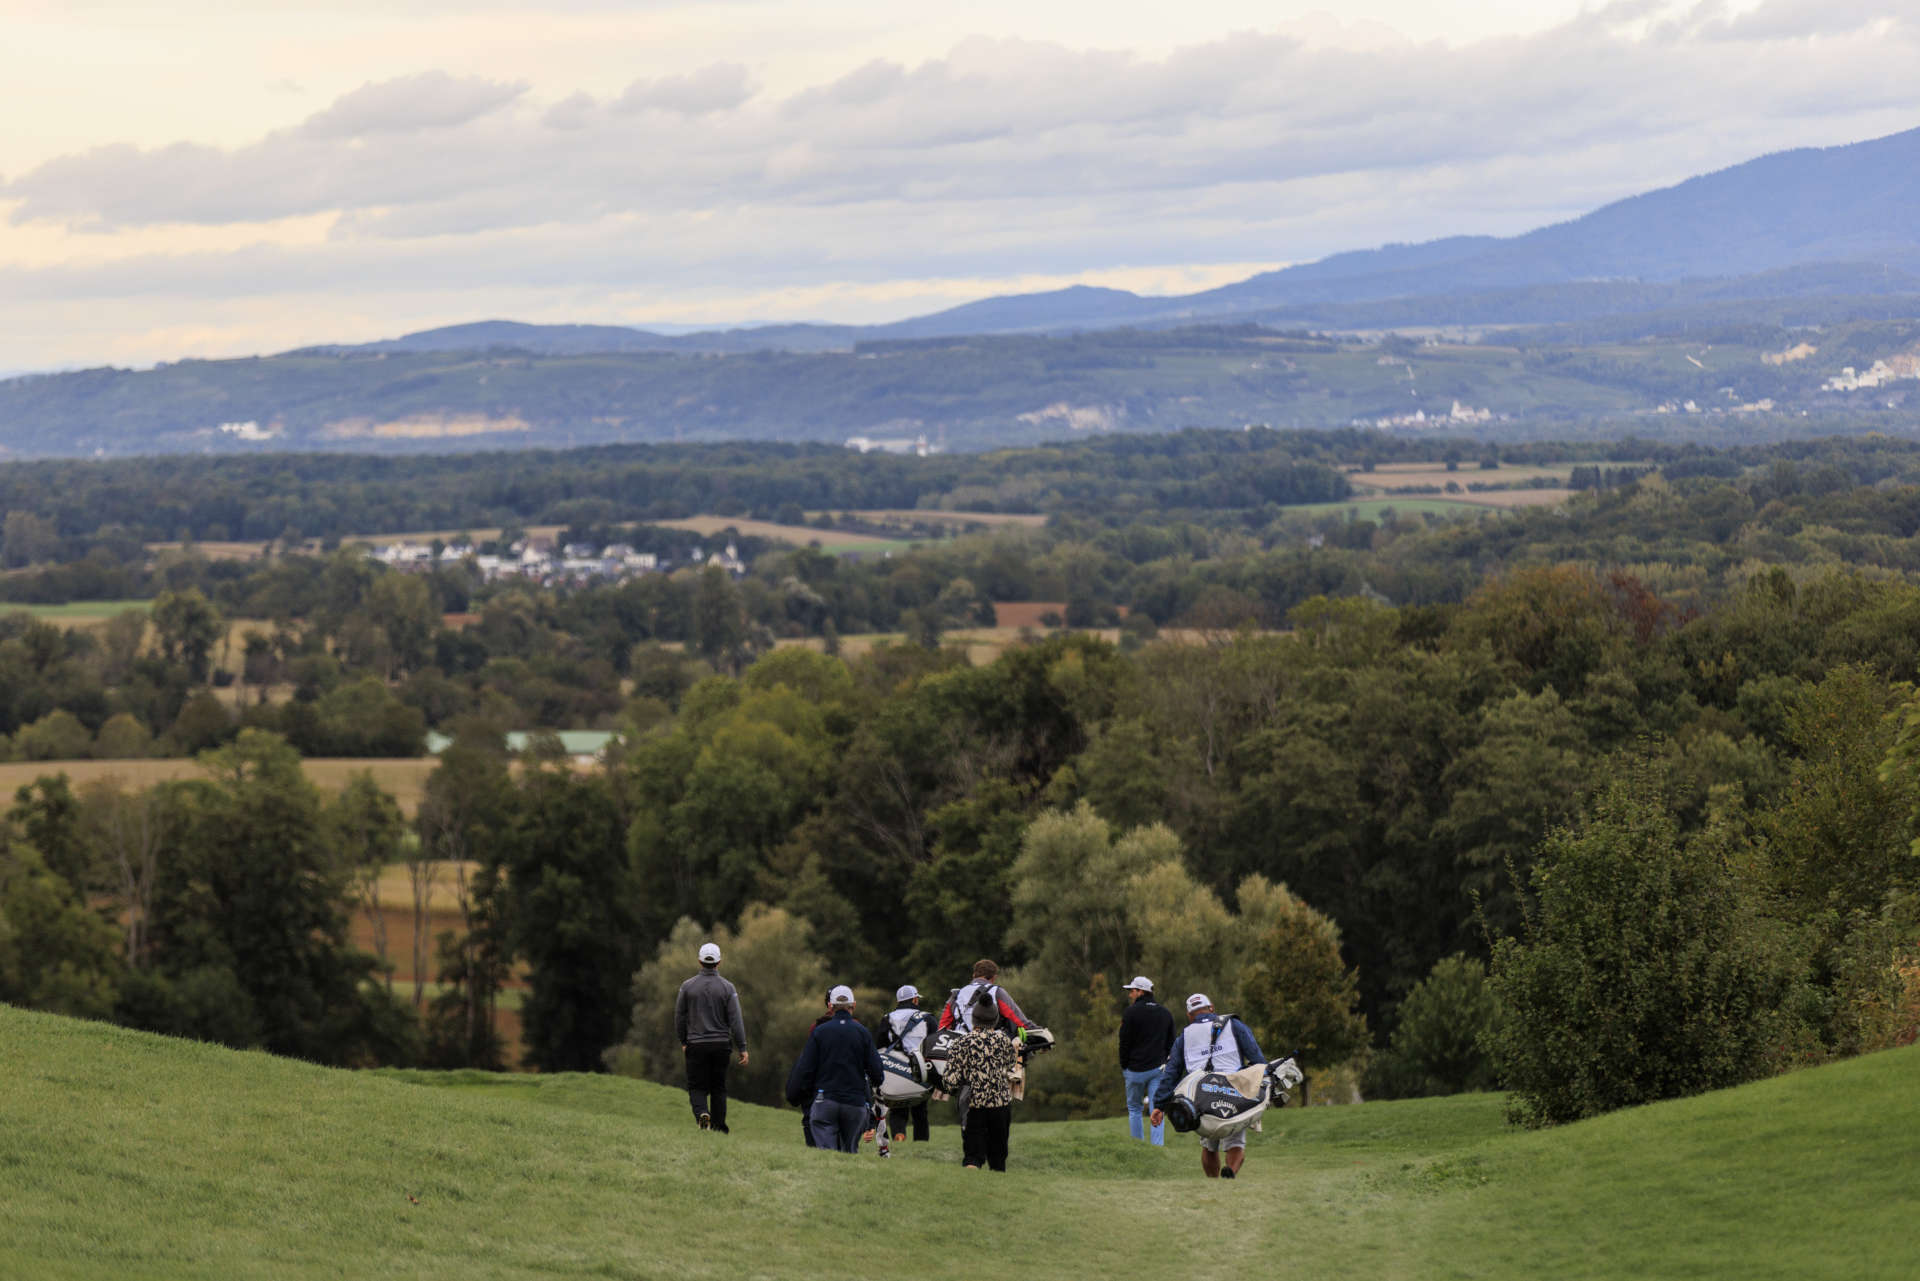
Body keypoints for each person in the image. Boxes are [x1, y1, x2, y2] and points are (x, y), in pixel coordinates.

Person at [1150, 993, 1266, 1179]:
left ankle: (1212, 1183)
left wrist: (1159, 1105)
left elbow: (1171, 1073)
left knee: (1209, 1145)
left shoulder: (1184, 1037)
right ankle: (1231, 1172)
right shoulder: (1234, 1025)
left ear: (1189, 1015)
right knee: (1236, 1142)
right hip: (1234, 1090)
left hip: (1202, 1095)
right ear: (1211, 1008)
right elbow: (1257, 1060)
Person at [785, 985, 884, 1154]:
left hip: (826, 1100)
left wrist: (794, 1095)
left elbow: (805, 1070)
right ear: (853, 1005)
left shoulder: (819, 1032)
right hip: (855, 1104)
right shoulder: (863, 1032)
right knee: (849, 1151)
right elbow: (877, 1075)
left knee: (826, 1154)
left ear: (831, 1006)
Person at [674, 941, 748, 1133]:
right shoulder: (728, 988)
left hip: (696, 1044)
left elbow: (679, 1017)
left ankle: (701, 1114)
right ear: (719, 962)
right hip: (721, 1045)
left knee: (697, 1086)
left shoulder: (687, 987)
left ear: (699, 961)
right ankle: (718, 1125)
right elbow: (736, 1020)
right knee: (718, 1087)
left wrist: (683, 1041)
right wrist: (742, 1047)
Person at [944, 995, 1018, 1171]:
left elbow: (950, 1080)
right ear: (995, 1019)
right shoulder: (1004, 1041)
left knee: (973, 1156)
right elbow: (1010, 1066)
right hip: (1001, 1104)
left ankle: (970, 1189)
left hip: (973, 1104)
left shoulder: (961, 1042)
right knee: (998, 1158)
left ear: (974, 1018)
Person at [1117, 975, 1176, 1145]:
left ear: (1141, 991)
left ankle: (1138, 1146)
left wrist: (1124, 1065)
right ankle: (1157, 1147)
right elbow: (1171, 1043)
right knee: (1156, 1108)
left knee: (1135, 1108)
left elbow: (1124, 1042)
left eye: (1132, 991)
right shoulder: (1165, 1013)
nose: (1130, 995)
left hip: (1134, 1070)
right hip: (1158, 1069)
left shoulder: (1130, 1013)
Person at [880, 984, 932, 1143]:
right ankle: (921, 1141)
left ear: (898, 1001)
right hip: (920, 1067)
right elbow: (934, 1043)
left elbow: (880, 1045)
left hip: (896, 1068)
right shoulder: (927, 1018)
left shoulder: (887, 1018)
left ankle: (899, 1134)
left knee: (897, 1105)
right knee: (920, 1107)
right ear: (915, 999)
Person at [938, 959, 1034, 1035]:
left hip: (960, 1047)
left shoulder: (956, 995)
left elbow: (943, 1027)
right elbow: (1018, 1019)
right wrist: (1037, 1031)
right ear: (994, 977)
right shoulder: (997, 992)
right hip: (988, 1047)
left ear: (974, 975)